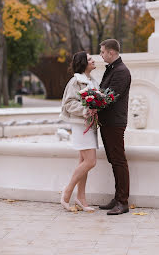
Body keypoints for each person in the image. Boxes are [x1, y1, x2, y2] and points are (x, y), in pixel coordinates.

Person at [59, 51, 99, 212]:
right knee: (91, 162)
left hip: (91, 125)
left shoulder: (92, 81)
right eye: (90, 59)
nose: (93, 60)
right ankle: (67, 191)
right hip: (81, 125)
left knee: (84, 162)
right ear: (84, 63)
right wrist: (85, 110)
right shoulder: (75, 81)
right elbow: (68, 103)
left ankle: (81, 198)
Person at [98, 39, 131, 215]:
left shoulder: (121, 71)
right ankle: (118, 197)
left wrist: (93, 103)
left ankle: (123, 202)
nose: (101, 55)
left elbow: (109, 97)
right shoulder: (112, 69)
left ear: (111, 52)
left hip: (115, 122)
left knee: (118, 160)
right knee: (114, 160)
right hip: (108, 121)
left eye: (103, 52)